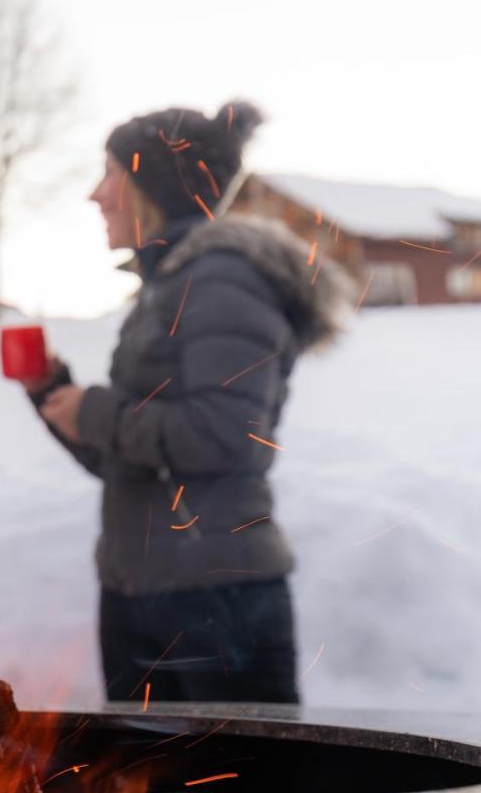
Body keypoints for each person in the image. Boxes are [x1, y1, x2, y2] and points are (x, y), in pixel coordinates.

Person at [23, 101, 352, 704]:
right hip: (144, 593)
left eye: (111, 174)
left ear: (151, 184)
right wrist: (53, 393)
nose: (95, 195)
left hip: (215, 603)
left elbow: (228, 436)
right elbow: (132, 459)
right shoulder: (167, 285)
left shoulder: (222, 280)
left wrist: (95, 412)